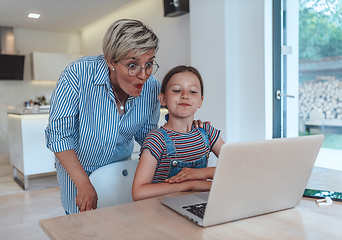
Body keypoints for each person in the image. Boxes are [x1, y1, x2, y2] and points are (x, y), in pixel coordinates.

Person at [45, 19, 162, 214]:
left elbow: (147, 137)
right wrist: (83, 183)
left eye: (149, 64)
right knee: (81, 228)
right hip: (78, 173)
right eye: (132, 65)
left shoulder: (151, 87)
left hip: (119, 173)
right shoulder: (78, 74)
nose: (143, 75)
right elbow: (59, 135)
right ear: (110, 60)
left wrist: (180, 133)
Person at [132, 65, 225, 201]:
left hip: (198, 205)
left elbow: (237, 168)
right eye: (176, 90)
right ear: (163, 99)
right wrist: (190, 185)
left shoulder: (207, 132)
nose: (185, 96)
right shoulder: (156, 139)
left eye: (193, 92)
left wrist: (199, 173)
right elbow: (138, 192)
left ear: (201, 101)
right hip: (160, 212)